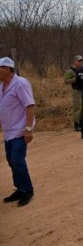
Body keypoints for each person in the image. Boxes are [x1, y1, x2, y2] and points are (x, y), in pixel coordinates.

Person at [0, 57, 35, 206]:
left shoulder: (20, 83)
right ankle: (20, 188)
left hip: (20, 130)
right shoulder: (1, 86)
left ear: (7, 69)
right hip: (8, 131)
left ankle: (27, 190)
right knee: (11, 160)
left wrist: (28, 129)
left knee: (17, 160)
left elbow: (29, 106)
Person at [64, 55, 83, 131]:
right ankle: (76, 124)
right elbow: (66, 81)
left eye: (81, 61)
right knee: (76, 107)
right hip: (76, 90)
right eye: (78, 61)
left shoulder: (82, 69)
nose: (80, 62)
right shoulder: (71, 71)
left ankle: (82, 122)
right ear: (74, 61)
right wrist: (75, 79)